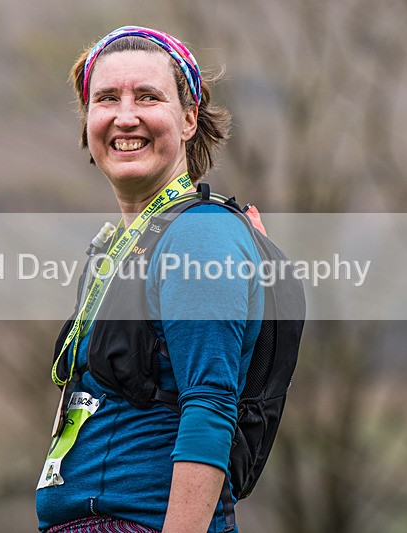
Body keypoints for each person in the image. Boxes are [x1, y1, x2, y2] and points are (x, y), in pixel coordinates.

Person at [35, 26, 263, 533]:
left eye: (148, 97)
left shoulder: (199, 235)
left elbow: (210, 406)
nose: (125, 116)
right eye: (107, 98)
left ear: (187, 119)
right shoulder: (130, 243)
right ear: (88, 123)